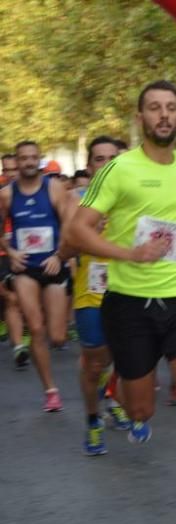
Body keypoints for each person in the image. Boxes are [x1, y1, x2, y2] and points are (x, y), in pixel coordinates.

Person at [65, 80, 176, 524]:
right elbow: (78, 231)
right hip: (129, 304)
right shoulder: (118, 170)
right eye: (154, 108)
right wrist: (127, 254)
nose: (164, 115)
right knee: (142, 411)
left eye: (171, 108)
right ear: (140, 119)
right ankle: (124, 392)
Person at [67, 136, 132, 455]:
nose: (106, 164)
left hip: (128, 290)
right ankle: (93, 420)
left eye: (112, 158)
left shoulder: (133, 198)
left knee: (126, 356)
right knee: (94, 364)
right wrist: (88, 232)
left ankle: (111, 394)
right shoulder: (76, 202)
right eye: (99, 159)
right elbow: (65, 246)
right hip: (91, 294)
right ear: (90, 165)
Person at [0, 140, 76, 411]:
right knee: (35, 328)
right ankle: (50, 390)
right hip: (25, 270)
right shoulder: (7, 195)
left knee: (57, 336)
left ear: (39, 160)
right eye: (23, 158)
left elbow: (69, 225)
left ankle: (49, 326)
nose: (29, 162)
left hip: (53, 266)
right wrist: (10, 251)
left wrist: (59, 256)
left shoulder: (54, 188)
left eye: (33, 158)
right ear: (16, 162)